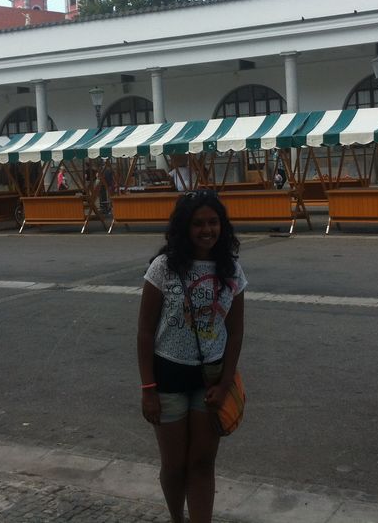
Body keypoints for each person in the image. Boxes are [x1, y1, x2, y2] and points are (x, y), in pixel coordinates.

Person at [137, 190, 246, 523]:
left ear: (222, 226)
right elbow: (144, 331)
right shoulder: (163, 268)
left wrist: (226, 382)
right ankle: (177, 517)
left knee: (202, 463)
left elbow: (236, 331)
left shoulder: (231, 271)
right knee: (174, 465)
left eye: (213, 222)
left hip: (210, 378)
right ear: (184, 227)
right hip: (167, 376)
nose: (206, 230)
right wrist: (148, 389)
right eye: (198, 223)